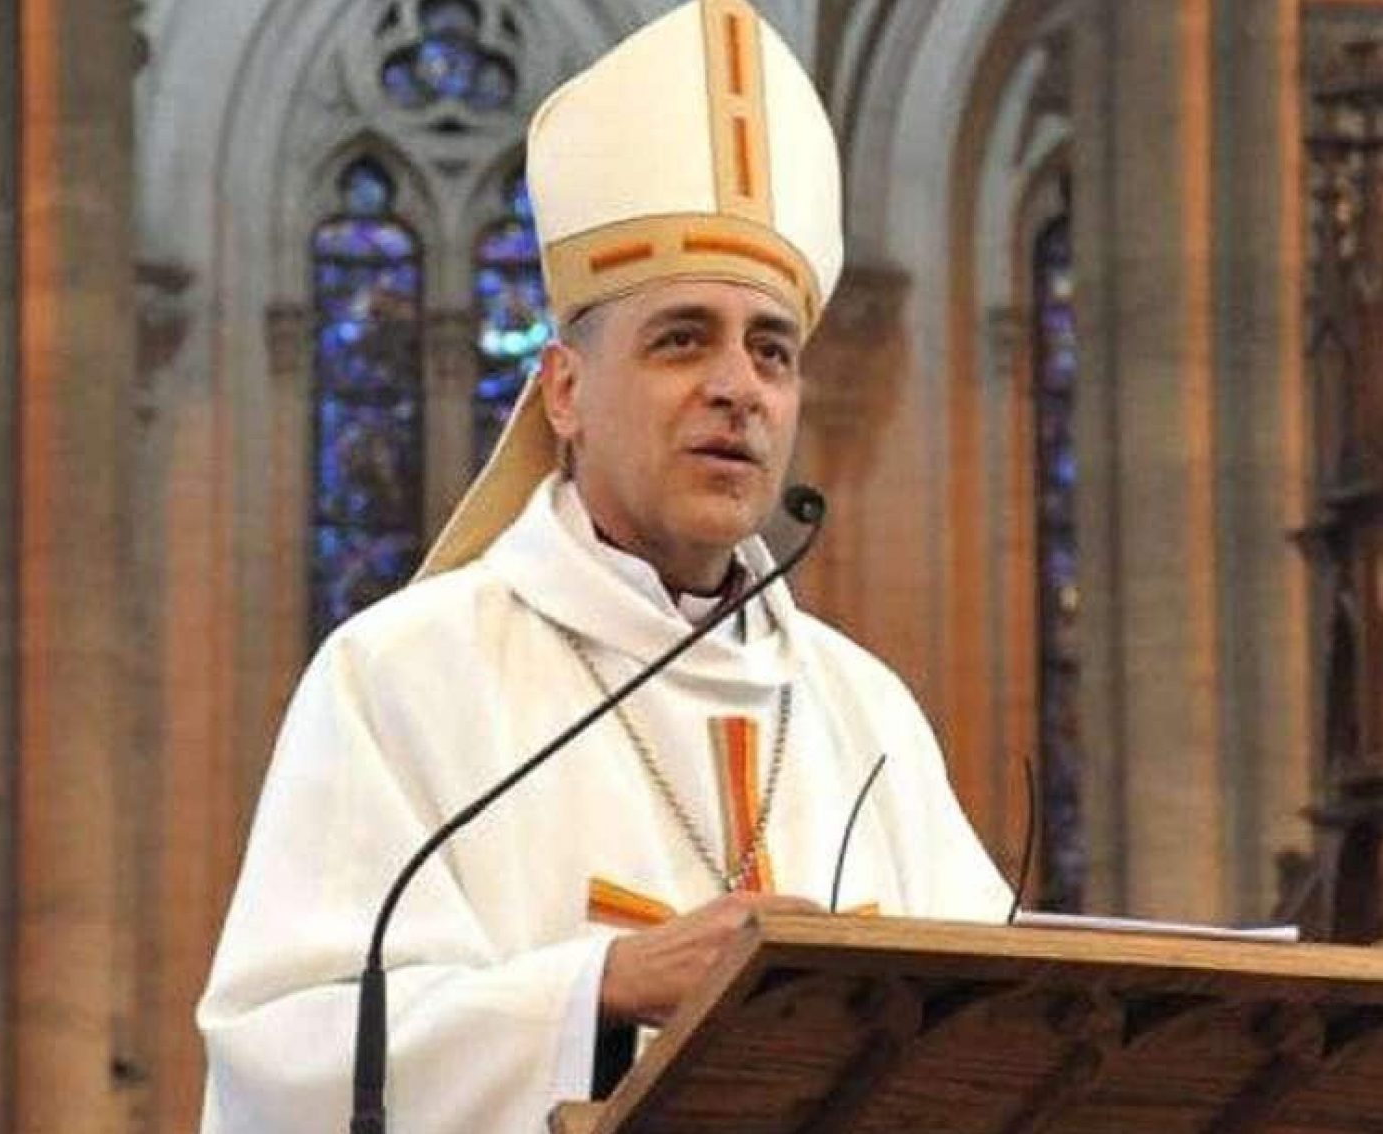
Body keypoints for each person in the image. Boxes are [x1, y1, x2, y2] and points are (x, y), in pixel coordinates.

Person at [195, 2, 1010, 1128]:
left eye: (771, 351)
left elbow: (1001, 1040)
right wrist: (603, 988)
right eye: (683, 338)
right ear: (565, 392)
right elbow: (285, 1054)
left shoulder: (860, 713)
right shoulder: (401, 675)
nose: (736, 387)